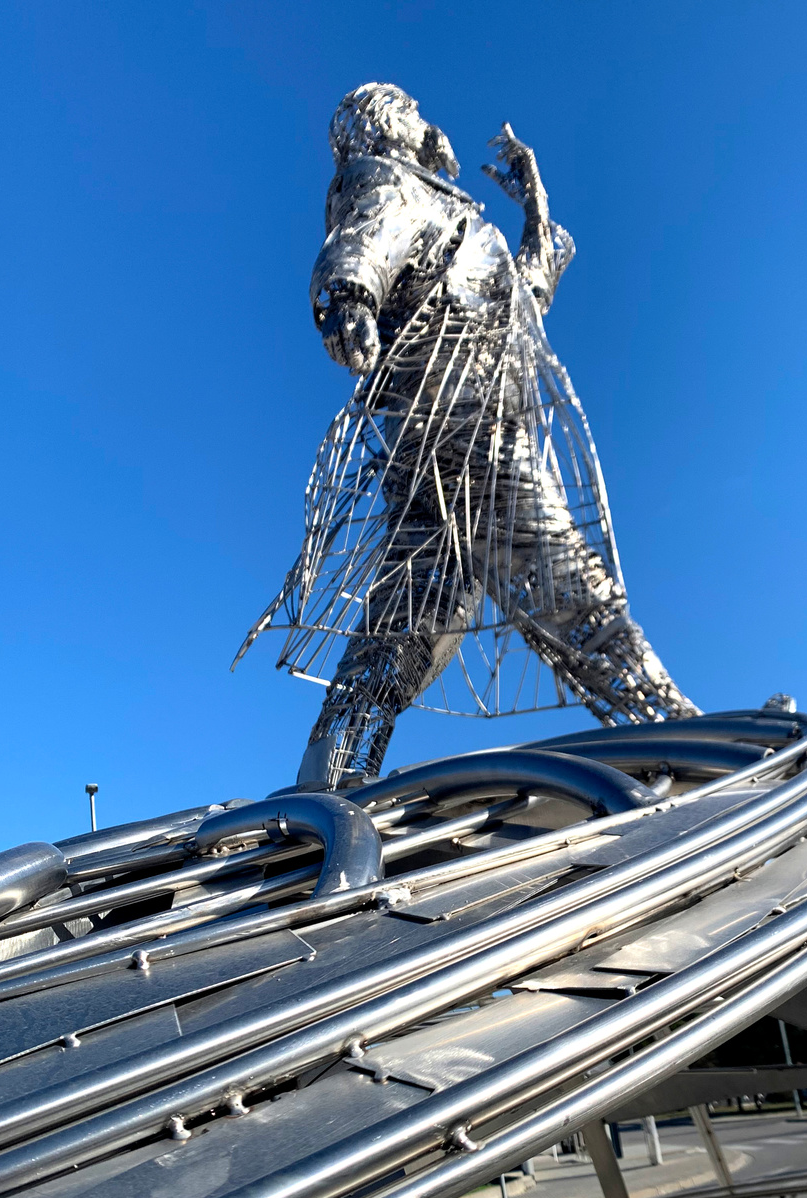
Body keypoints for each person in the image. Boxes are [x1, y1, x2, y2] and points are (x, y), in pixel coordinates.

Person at [236, 83, 696, 787]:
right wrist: (350, 294)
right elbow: (364, 237)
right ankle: (685, 737)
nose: (428, 122)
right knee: (576, 600)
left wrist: (536, 208)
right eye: (414, 111)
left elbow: (524, 301)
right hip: (475, 435)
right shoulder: (391, 181)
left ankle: (326, 779)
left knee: (406, 629)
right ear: (387, 124)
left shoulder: (454, 215)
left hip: (432, 450)